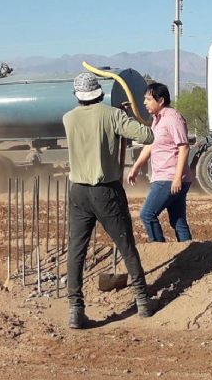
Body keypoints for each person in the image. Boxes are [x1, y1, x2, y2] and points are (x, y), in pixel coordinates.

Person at [63, 72, 156, 329]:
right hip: (106, 191)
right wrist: (126, 115)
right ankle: (142, 301)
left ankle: (75, 309)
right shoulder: (112, 115)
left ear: (77, 96)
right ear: (99, 93)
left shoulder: (68, 119)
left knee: (76, 250)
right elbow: (148, 136)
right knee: (126, 244)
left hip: (78, 191)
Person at [128, 83, 194, 242]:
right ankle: (191, 253)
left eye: (148, 99)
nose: (145, 103)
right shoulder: (157, 119)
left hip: (169, 178)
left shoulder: (172, 118)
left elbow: (184, 147)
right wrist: (136, 167)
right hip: (167, 177)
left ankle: (159, 247)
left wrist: (177, 178)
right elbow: (150, 144)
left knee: (147, 214)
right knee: (177, 220)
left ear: (161, 101)